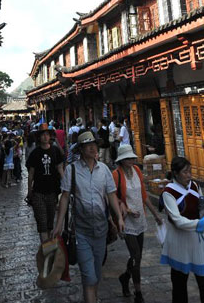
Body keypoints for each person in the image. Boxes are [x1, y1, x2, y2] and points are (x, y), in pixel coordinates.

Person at [53, 130, 125, 303]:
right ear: (81, 150)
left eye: (94, 145)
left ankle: (92, 297)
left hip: (101, 230)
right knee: (89, 275)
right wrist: (59, 224)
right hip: (81, 231)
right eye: (89, 146)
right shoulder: (72, 170)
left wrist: (119, 218)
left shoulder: (104, 170)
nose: (93, 148)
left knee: (97, 273)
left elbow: (111, 195)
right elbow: (64, 198)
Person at [160, 156, 204, 303]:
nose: (189, 175)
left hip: (197, 240)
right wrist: (201, 223)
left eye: (190, 171)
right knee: (179, 285)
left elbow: (201, 209)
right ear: (175, 173)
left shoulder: (195, 186)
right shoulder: (168, 192)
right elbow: (177, 221)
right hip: (180, 242)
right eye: (185, 172)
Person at [113, 145, 162, 303]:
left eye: (132, 158)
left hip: (140, 220)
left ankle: (125, 277)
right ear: (122, 160)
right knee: (135, 256)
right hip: (126, 221)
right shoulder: (116, 175)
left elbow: (143, 195)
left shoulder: (137, 171)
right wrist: (126, 209)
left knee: (137, 256)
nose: (131, 160)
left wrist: (155, 215)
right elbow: (112, 198)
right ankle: (138, 292)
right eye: (128, 158)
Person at [26, 123, 64, 242]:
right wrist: (29, 191)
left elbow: (60, 169)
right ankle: (46, 251)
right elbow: (31, 174)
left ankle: (49, 250)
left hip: (52, 191)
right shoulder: (35, 153)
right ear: (39, 137)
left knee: (50, 223)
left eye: (47, 135)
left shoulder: (55, 151)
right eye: (43, 135)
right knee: (42, 224)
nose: (45, 137)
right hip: (38, 192)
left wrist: (66, 186)